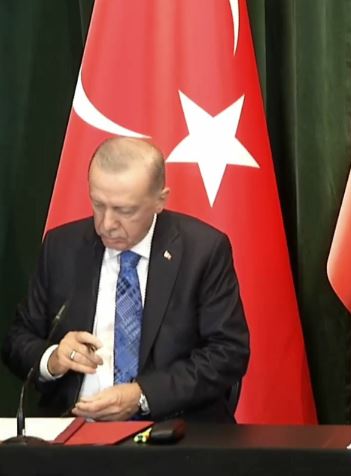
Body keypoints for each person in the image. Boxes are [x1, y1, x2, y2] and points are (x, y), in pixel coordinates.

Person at [2, 137, 250, 422]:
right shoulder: (62, 246)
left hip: (173, 430)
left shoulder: (202, 250)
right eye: (98, 204)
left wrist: (143, 395)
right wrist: (53, 358)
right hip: (75, 430)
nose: (106, 224)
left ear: (160, 200)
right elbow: (18, 340)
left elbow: (228, 352)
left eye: (125, 210)